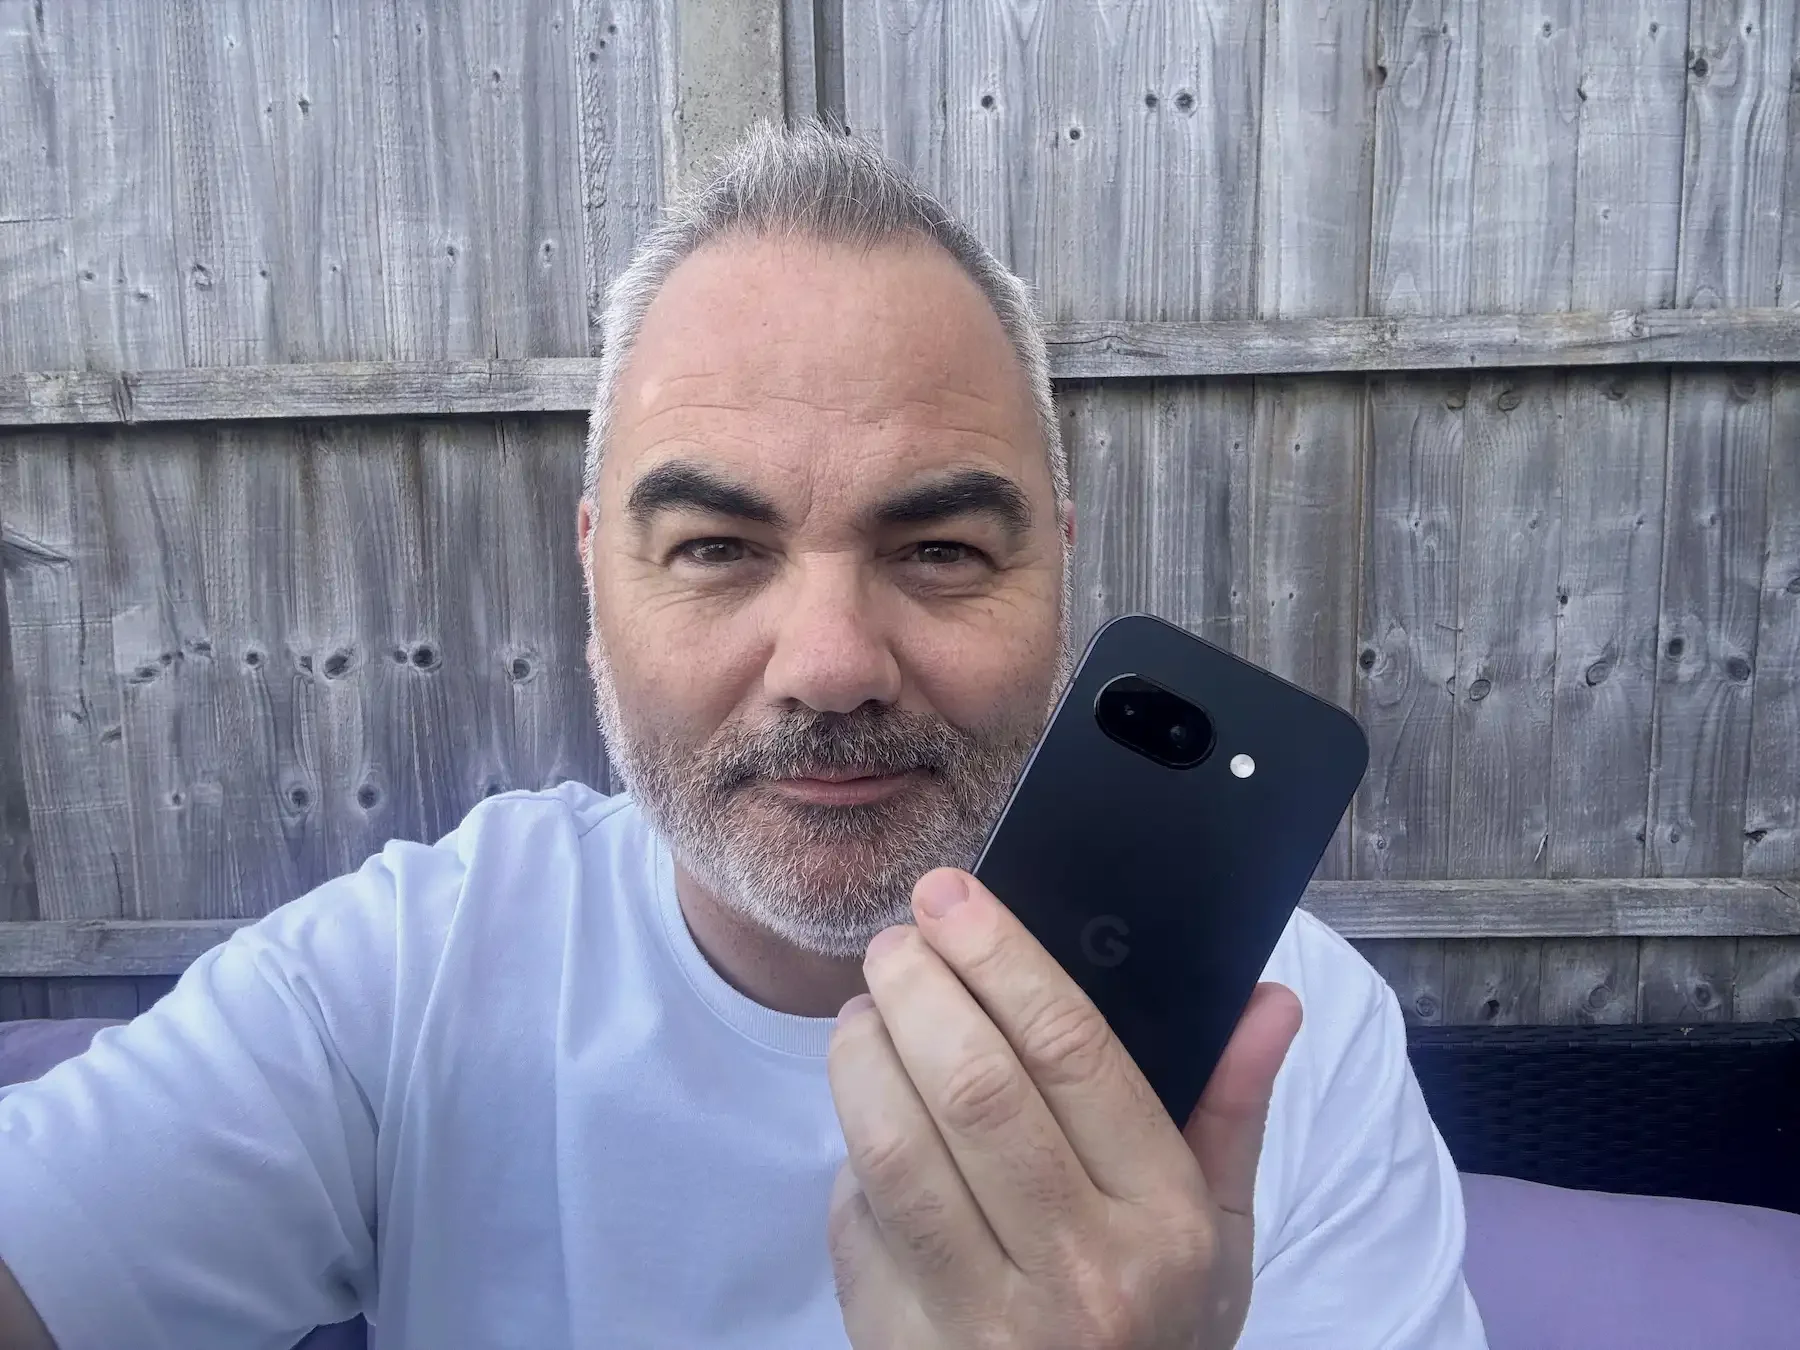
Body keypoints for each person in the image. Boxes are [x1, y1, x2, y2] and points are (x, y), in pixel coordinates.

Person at [0, 124, 1487, 1349]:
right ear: (595, 582)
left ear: (1060, 582)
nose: (832, 665)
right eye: (716, 546)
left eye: (945, 551)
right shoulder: (403, 976)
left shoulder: (1293, 1042)